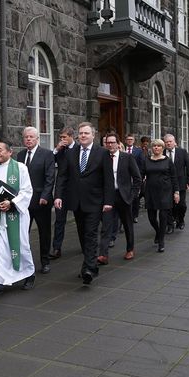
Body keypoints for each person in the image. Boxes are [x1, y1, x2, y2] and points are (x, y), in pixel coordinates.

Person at [54, 122, 114, 285]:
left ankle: (88, 269)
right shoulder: (70, 153)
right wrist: (58, 196)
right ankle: (91, 264)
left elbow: (109, 180)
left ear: (93, 135)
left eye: (86, 133)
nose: (83, 136)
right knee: (82, 234)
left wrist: (108, 201)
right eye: (80, 133)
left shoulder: (102, 153)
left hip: (95, 201)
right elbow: (62, 176)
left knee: (90, 233)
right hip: (76, 201)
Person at [0, 140, 36, 297]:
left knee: (21, 246)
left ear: (9, 152)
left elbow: (27, 191)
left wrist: (11, 202)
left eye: (0, 150)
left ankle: (28, 274)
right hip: (0, 217)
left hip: (17, 216)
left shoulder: (20, 168)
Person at [16, 127, 56, 274]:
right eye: (26, 137)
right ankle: (23, 262)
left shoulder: (47, 154)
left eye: (31, 137)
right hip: (23, 203)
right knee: (22, 233)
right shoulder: (20, 155)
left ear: (37, 139)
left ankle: (45, 261)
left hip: (41, 201)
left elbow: (50, 177)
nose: (28, 139)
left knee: (44, 232)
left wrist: (45, 196)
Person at [98, 133, 142, 264]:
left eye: (112, 142)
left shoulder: (127, 158)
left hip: (124, 196)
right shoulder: (102, 158)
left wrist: (132, 195)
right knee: (106, 226)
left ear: (118, 144)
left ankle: (130, 249)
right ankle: (103, 255)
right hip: (108, 197)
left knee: (127, 224)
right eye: (107, 143)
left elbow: (137, 178)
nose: (110, 145)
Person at [141, 138, 179, 252]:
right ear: (152, 148)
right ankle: (158, 232)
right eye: (154, 146)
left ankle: (161, 240)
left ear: (162, 148)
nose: (156, 148)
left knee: (163, 217)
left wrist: (176, 192)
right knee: (152, 218)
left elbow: (174, 177)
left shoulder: (168, 161)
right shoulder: (146, 160)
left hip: (165, 192)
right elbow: (141, 174)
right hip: (150, 191)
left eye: (158, 146)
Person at [51, 126, 77, 260]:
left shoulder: (78, 148)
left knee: (81, 220)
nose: (62, 140)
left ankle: (86, 246)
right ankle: (56, 248)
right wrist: (56, 149)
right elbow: (49, 161)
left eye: (64, 137)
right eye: (60, 137)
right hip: (61, 189)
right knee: (59, 220)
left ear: (71, 136)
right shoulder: (60, 151)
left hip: (76, 190)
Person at [163, 134, 189, 233]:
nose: (168, 143)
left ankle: (180, 220)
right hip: (166, 184)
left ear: (174, 142)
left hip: (180, 183)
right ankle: (170, 224)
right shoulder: (161, 153)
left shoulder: (182, 152)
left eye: (170, 141)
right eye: (166, 142)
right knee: (168, 205)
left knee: (181, 205)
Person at [124, 133, 145, 222]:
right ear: (125, 141)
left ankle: (134, 215)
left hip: (134, 177)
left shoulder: (138, 151)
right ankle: (126, 215)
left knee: (135, 196)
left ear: (134, 141)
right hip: (124, 176)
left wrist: (140, 176)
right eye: (128, 139)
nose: (129, 141)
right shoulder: (122, 149)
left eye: (131, 139)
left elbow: (141, 164)